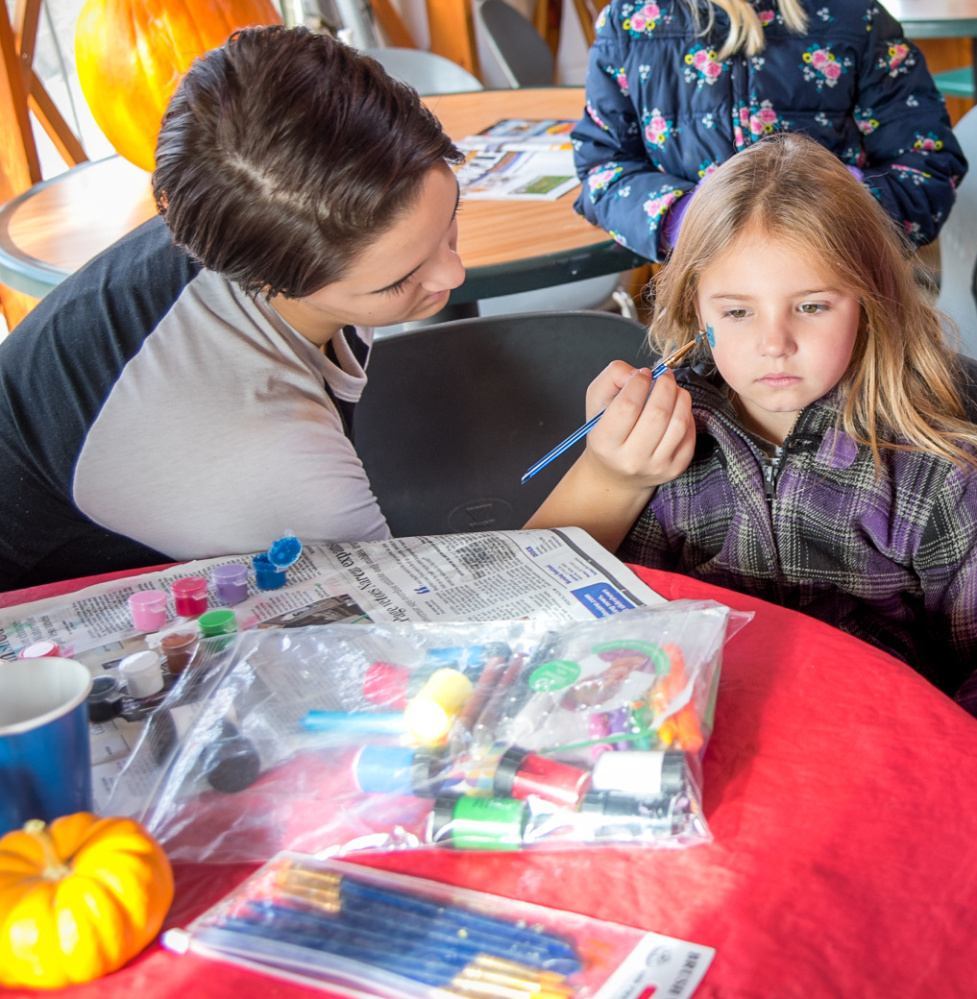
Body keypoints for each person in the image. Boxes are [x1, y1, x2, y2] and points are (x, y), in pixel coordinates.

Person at [0, 26, 466, 590]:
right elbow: (423, 625)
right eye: (399, 281)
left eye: (449, 223)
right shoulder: (266, 451)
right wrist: (601, 477)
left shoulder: (253, 204)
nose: (453, 274)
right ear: (274, 279)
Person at [526, 133, 977, 711]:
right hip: (697, 736)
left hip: (877, 747)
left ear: (870, 299)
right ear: (694, 310)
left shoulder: (934, 466)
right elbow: (605, 621)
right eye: (737, 312)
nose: (773, 344)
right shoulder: (664, 440)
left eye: (811, 306)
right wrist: (607, 471)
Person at [572, 0, 967, 261]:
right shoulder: (630, 23)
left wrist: (838, 209)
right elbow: (603, 169)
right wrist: (689, 219)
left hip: (846, 301)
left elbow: (928, 166)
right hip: (701, 306)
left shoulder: (856, 16)